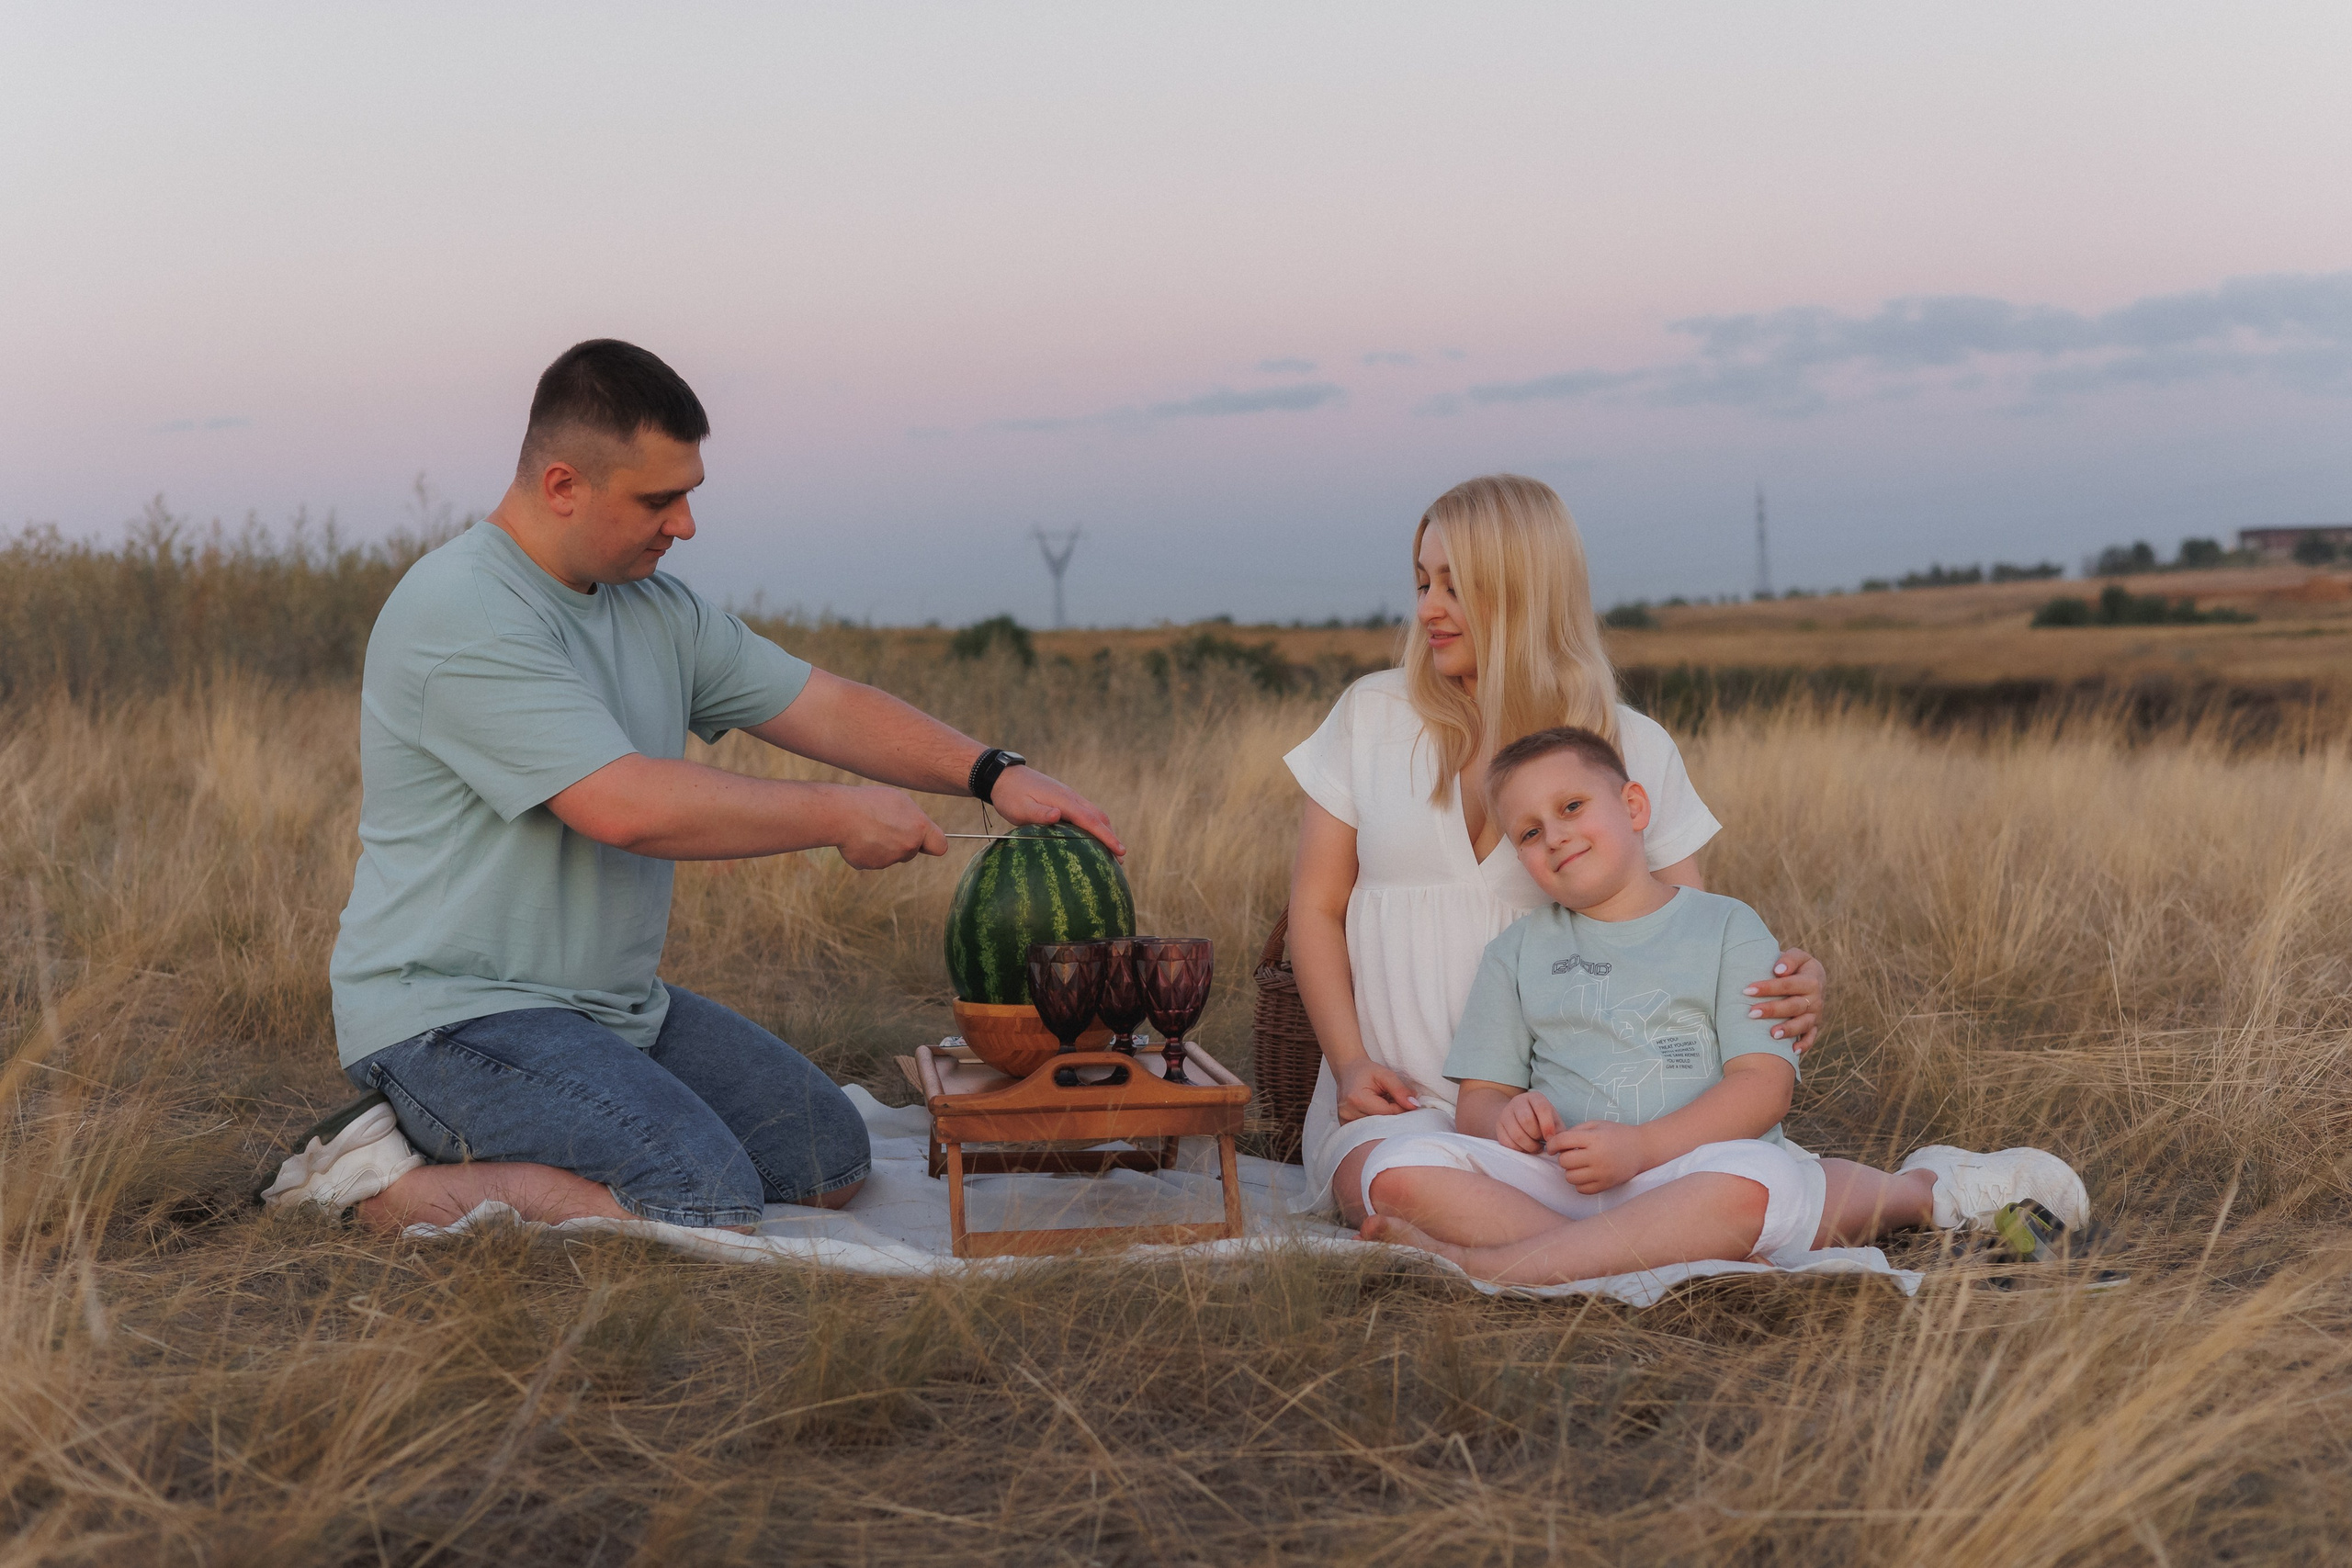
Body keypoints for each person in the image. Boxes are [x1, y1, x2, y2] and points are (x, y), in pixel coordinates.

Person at [312, 339, 1121, 1234]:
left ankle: (523, 1134)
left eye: (689, 493)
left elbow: (828, 708)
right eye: (659, 499)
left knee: (828, 1164)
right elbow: (620, 805)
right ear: (562, 485)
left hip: (610, 1010)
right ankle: (372, 1184)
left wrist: (992, 773)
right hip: (455, 1017)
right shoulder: (460, 610)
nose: (686, 523)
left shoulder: (654, 606)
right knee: (702, 1199)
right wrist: (836, 815)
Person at [1285, 474, 1997, 1245]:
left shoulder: (1631, 745)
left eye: (1456, 587)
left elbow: (1686, 934)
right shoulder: (1372, 715)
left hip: (1603, 1123)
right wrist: (1352, 1064)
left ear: (1525, 588)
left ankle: (1532, 1256)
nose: (1427, 609)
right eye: (1423, 582)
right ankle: (1661, 1244)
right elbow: (1316, 906)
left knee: (1698, 1180)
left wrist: (1799, 985)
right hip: (1404, 1107)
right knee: (1383, 1180)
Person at [1354, 727, 2087, 1283]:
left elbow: (1763, 1088)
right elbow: (1480, 1099)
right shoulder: (1515, 954)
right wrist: (1506, 1119)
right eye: (1530, 832)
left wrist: (1642, 1150)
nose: (1557, 835)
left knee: (1762, 1183)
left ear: (1634, 806)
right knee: (1396, 1165)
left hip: (1692, 1175)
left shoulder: (1724, 924)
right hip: (1562, 1186)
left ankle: (1495, 1267)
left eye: (1572, 806)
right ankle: (1618, 1260)